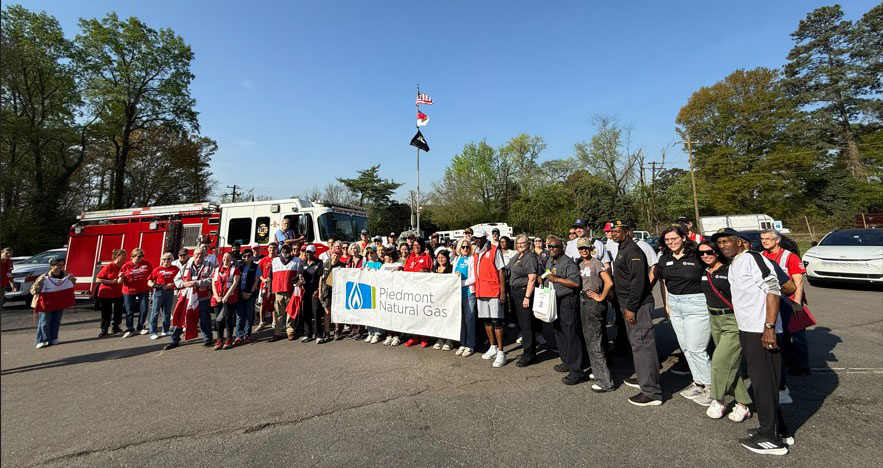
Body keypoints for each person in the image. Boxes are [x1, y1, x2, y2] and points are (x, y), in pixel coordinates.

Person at [712, 228, 790, 455]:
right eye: (719, 242)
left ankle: (771, 440)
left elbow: (773, 288)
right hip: (747, 329)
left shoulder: (752, 258)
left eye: (727, 241)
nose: (722, 245)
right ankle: (778, 430)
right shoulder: (736, 262)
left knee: (765, 383)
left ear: (741, 242)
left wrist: (769, 327)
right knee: (762, 382)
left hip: (761, 330)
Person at [657, 225, 713, 406]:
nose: (671, 242)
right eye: (667, 240)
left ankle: (711, 388)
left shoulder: (697, 255)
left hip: (696, 304)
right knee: (686, 348)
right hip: (675, 304)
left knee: (697, 348)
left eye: (674, 238)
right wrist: (666, 304)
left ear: (683, 238)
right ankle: (698, 382)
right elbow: (665, 282)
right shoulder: (664, 258)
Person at [697, 240, 752, 422]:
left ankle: (718, 399)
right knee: (731, 363)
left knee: (719, 362)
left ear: (717, 252)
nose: (705, 256)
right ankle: (743, 404)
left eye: (709, 252)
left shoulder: (730, 269)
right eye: (702, 253)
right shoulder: (704, 271)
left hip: (732, 320)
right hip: (714, 319)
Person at [610, 219, 663, 406]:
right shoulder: (623, 248)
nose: (615, 233)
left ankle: (652, 392)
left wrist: (631, 308)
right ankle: (644, 379)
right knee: (638, 346)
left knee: (643, 346)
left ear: (628, 231)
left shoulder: (633, 251)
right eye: (613, 231)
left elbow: (638, 282)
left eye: (618, 230)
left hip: (638, 305)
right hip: (628, 304)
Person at [760, 229, 811, 376]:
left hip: (788, 301)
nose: (764, 241)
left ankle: (802, 366)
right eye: (762, 238)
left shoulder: (790, 257)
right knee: (780, 334)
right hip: (772, 300)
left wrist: (797, 303)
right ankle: (785, 361)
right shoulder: (762, 256)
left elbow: (799, 282)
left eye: (768, 239)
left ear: (777, 240)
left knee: (796, 334)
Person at [543, 235, 585, 384]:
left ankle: (577, 370)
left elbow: (575, 283)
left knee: (571, 334)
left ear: (562, 248)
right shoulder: (550, 260)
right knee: (559, 332)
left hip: (568, 301)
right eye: (549, 246)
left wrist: (557, 280)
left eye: (555, 246)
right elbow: (548, 274)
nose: (552, 249)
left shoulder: (568, 263)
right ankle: (566, 361)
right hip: (554, 300)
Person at [576, 238, 615, 392]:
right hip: (583, 301)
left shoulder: (596, 262)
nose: (583, 251)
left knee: (595, 342)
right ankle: (598, 372)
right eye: (581, 248)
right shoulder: (580, 264)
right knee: (590, 340)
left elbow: (609, 282)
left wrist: (600, 297)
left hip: (593, 303)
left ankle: (605, 382)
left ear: (590, 248)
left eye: (586, 248)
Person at [164, 248, 215, 350]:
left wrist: (197, 283)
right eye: (197, 254)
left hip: (203, 296)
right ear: (193, 255)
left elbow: (212, 279)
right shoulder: (186, 266)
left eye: (201, 254)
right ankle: (174, 340)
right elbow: (176, 280)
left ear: (205, 255)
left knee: (204, 318)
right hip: (187, 297)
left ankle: (207, 338)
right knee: (181, 317)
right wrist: (184, 283)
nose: (199, 255)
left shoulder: (209, 265)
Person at [473, 229, 507, 367]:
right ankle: (492, 346)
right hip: (481, 291)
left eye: (480, 238)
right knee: (486, 321)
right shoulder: (475, 252)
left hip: (493, 290)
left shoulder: (494, 250)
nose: (478, 240)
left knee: (496, 321)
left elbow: (501, 271)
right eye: (476, 238)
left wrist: (503, 292)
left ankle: (501, 351)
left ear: (485, 238)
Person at [507, 234, 540, 367]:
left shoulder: (529, 257)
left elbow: (532, 278)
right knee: (522, 323)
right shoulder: (517, 256)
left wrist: (527, 297)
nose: (520, 245)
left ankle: (529, 354)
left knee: (527, 325)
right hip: (515, 291)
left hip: (524, 292)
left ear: (528, 244)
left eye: (523, 243)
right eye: (518, 243)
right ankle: (528, 350)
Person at [31, 257, 75, 348]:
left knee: (56, 321)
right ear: (52, 266)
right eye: (58, 265)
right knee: (44, 322)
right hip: (45, 303)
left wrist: (72, 280)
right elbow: (33, 291)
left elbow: (70, 287)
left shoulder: (65, 275)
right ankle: (42, 340)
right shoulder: (44, 276)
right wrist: (39, 283)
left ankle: (54, 338)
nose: (61, 267)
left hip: (59, 302)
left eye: (62, 265)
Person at [267, 244, 303, 342]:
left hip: (291, 290)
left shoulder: (297, 261)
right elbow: (270, 277)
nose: (285, 252)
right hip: (278, 291)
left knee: (291, 312)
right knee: (279, 313)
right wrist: (269, 291)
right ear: (280, 251)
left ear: (290, 251)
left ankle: (290, 331)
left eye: (287, 250)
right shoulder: (275, 261)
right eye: (283, 250)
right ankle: (278, 332)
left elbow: (300, 276)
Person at [403, 238, 433, 347]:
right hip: (410, 291)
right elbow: (406, 270)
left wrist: (424, 271)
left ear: (422, 246)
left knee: (422, 314)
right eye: (414, 245)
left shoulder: (426, 256)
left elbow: (431, 272)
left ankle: (424, 337)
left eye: (418, 245)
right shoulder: (410, 257)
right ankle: (414, 336)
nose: (416, 247)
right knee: (412, 314)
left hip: (422, 291)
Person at [120, 248, 153, 338]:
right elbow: (120, 281)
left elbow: (151, 275)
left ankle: (140, 327)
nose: (140, 258)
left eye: (142, 256)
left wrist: (152, 286)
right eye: (138, 256)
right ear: (133, 257)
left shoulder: (147, 264)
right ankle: (130, 329)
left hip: (143, 290)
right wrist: (121, 277)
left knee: (144, 308)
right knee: (129, 310)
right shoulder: (126, 266)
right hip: (129, 291)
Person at [147, 252, 180, 339]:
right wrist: (158, 286)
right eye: (164, 259)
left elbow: (180, 279)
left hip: (170, 292)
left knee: (167, 312)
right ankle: (152, 332)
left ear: (172, 260)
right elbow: (149, 282)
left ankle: (165, 330)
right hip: (159, 292)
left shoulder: (175, 269)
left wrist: (172, 284)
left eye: (168, 259)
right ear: (161, 260)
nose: (166, 261)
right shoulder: (157, 269)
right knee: (155, 312)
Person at [211, 252, 241, 349]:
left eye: (228, 257)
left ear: (232, 259)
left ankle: (229, 339)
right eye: (224, 257)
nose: (226, 259)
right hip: (217, 299)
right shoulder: (216, 270)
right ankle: (219, 340)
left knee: (228, 319)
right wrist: (216, 296)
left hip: (230, 298)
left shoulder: (235, 270)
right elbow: (213, 284)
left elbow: (235, 283)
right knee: (218, 320)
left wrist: (226, 296)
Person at [452, 238, 476, 356]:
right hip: (457, 294)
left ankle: (470, 345)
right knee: (460, 320)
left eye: (467, 247)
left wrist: (460, 283)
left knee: (469, 320)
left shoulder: (472, 259)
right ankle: (462, 343)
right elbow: (452, 276)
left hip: (469, 293)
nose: (466, 249)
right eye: (463, 247)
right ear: (459, 248)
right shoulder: (456, 259)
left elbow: (474, 278)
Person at [95, 249, 126, 337]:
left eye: (125, 255)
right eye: (123, 255)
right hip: (106, 292)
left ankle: (115, 327)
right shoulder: (109, 266)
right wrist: (111, 281)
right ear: (117, 256)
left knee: (118, 311)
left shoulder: (124, 266)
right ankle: (104, 329)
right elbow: (98, 279)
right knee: (106, 312)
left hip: (119, 292)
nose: (125, 257)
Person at [235, 248, 260, 345]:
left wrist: (250, 293)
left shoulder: (256, 266)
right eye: (244, 256)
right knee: (240, 316)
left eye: (249, 256)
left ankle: (247, 335)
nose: (247, 258)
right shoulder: (239, 267)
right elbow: (236, 281)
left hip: (251, 294)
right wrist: (241, 293)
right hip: (240, 294)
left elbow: (256, 281)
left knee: (248, 315)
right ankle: (238, 336)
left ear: (252, 256)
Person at [299, 245, 324, 343]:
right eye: (307, 252)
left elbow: (321, 277)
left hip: (315, 291)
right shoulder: (303, 264)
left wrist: (318, 290)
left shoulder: (319, 263)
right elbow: (299, 275)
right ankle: (307, 334)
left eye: (310, 252)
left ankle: (319, 335)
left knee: (316, 312)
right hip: (305, 291)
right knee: (306, 313)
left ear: (314, 253)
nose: (308, 254)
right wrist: (300, 279)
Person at [431, 247, 454, 350]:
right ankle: (440, 338)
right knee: (437, 319)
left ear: (447, 258)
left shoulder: (451, 268)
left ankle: (449, 340)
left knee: (447, 319)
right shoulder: (434, 268)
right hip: (436, 297)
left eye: (443, 257)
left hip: (447, 298)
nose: (440, 259)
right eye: (439, 257)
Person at [379, 248, 403, 346]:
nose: (384, 257)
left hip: (396, 293)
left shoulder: (399, 265)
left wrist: (399, 269)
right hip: (385, 293)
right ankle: (389, 335)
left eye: (386, 255)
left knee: (396, 315)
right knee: (387, 315)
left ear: (391, 256)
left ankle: (397, 336)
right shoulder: (383, 266)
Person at [255, 242, 278, 331]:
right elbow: (258, 273)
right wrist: (263, 279)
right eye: (270, 248)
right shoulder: (263, 260)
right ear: (268, 249)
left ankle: (274, 322)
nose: (272, 250)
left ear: (276, 249)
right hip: (264, 285)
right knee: (262, 304)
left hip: (275, 285)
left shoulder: (278, 259)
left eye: (274, 248)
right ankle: (262, 322)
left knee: (274, 303)